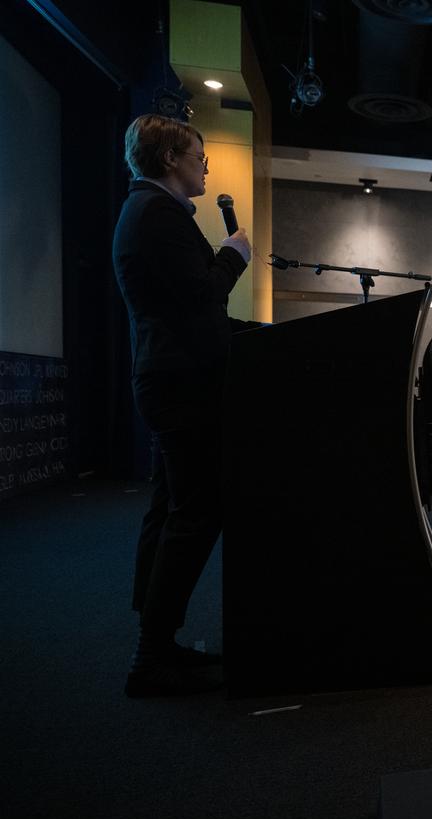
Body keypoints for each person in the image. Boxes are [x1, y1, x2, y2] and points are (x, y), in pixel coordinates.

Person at [113, 114, 252, 697]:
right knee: (196, 513)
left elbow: (190, 309)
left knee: (173, 506)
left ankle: (158, 642)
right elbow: (200, 298)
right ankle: (150, 658)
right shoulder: (157, 215)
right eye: (198, 156)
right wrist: (233, 255)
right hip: (182, 386)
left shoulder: (148, 212)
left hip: (172, 379)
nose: (205, 166)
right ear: (170, 157)